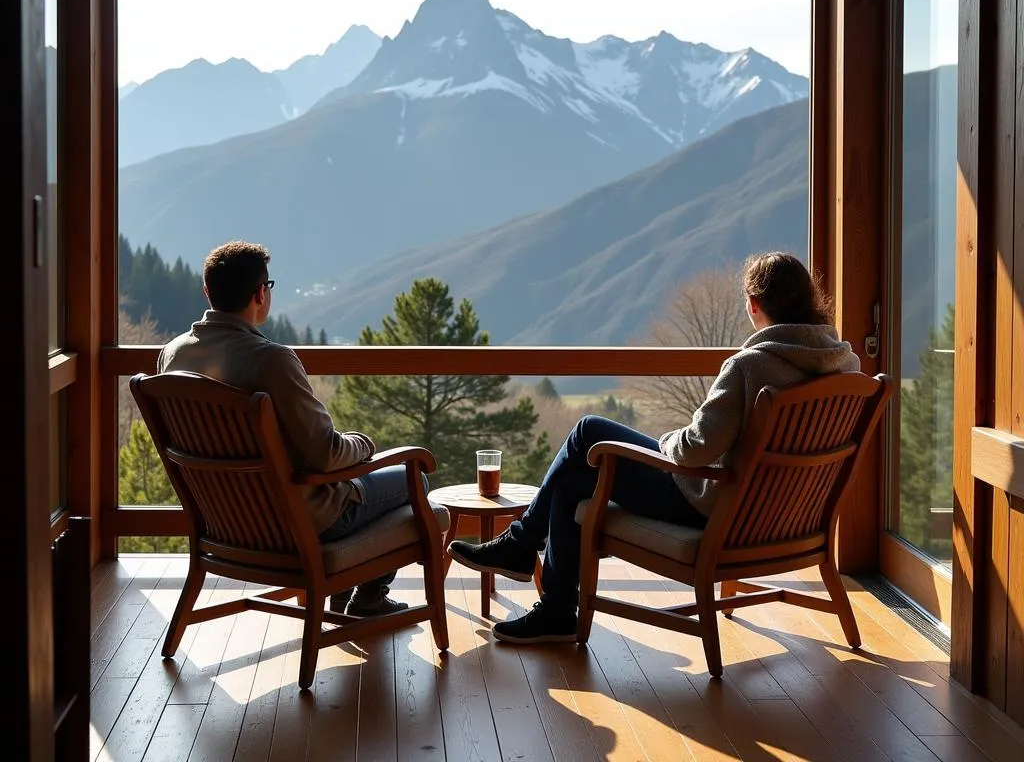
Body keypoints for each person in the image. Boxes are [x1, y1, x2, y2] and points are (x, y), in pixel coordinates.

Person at [447, 251, 861, 644]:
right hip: (785, 515)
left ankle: (528, 559)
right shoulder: (845, 366)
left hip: (714, 509)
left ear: (754, 305)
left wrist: (667, 439)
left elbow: (693, 451)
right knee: (574, 481)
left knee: (588, 431)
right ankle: (540, 581)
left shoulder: (750, 366)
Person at [158, 240, 413, 617]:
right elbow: (326, 454)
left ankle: (345, 589)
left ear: (208, 292)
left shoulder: (172, 355)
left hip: (223, 521)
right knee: (414, 477)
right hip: (298, 522)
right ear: (261, 293)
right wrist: (363, 443)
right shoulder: (271, 361)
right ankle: (368, 595)